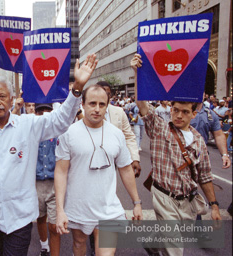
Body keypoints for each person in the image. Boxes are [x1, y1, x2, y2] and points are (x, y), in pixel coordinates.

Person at [0, 54, 98, 256]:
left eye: (2, 97)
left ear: (11, 99)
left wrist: (77, 86)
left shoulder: (28, 126)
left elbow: (60, 121)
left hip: (20, 218)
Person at [131, 54, 221, 256]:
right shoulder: (160, 127)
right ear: (171, 110)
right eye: (176, 110)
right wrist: (138, 73)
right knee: (174, 248)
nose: (179, 115)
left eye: (185, 112)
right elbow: (142, 104)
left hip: (188, 202)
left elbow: (205, 176)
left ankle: (152, 243)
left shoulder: (198, 141)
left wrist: (214, 206)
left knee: (170, 236)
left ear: (193, 113)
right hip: (163, 196)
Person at [55, 84, 143, 256]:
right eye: (92, 103)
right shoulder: (69, 133)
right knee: (79, 244)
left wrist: (137, 202)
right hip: (78, 206)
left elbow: (125, 169)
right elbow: (61, 172)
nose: (97, 109)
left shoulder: (116, 134)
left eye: (102, 104)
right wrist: (60, 210)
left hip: (109, 208)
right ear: (83, 103)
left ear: (107, 105)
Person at [34, 103, 60, 256]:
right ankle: (44, 246)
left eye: (47, 111)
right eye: (40, 111)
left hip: (54, 183)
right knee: (40, 217)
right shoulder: (31, 133)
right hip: (36, 184)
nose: (44, 114)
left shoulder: (59, 132)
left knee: (54, 223)